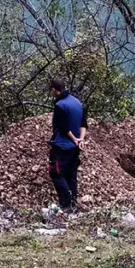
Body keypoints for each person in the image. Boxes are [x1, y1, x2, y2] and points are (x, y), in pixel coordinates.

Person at [48, 77, 87, 212]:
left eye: (52, 90)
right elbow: (83, 124)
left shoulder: (60, 105)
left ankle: (66, 203)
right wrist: (80, 139)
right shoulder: (78, 103)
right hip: (74, 149)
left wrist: (73, 138)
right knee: (71, 175)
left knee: (56, 172)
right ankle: (73, 205)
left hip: (61, 147)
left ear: (54, 90)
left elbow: (63, 127)